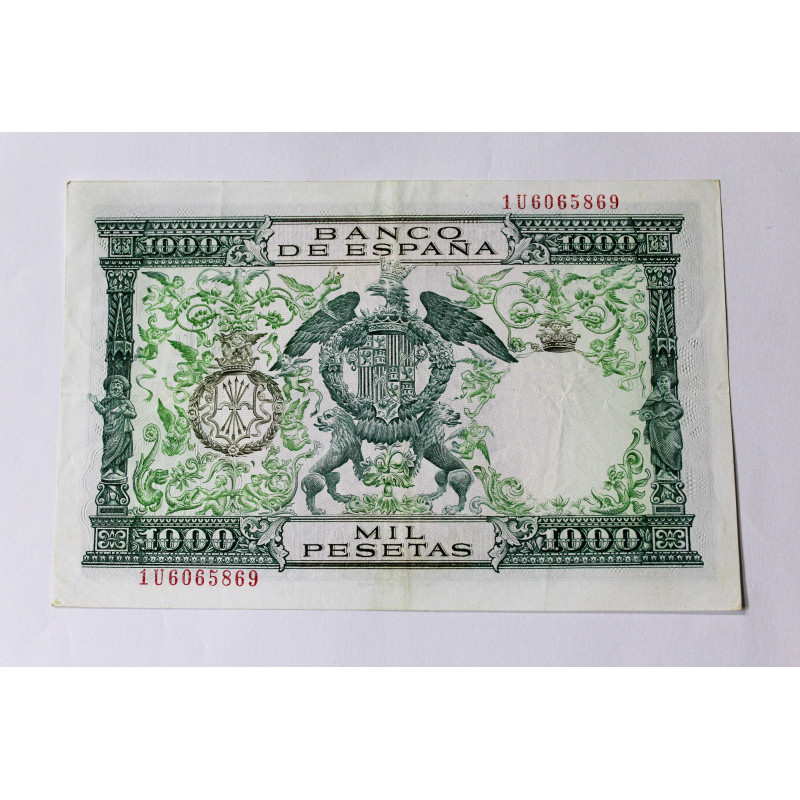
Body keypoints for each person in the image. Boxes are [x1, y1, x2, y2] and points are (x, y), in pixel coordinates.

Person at [632, 373, 684, 478]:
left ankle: (671, 471)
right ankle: (662, 470)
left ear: (669, 383)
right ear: (657, 384)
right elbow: (646, 409)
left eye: (666, 381)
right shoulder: (653, 397)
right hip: (656, 428)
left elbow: (679, 411)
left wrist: (668, 412)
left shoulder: (671, 397)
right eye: (660, 381)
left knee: (673, 446)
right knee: (658, 449)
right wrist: (645, 413)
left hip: (671, 428)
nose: (663, 384)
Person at [88, 375, 136, 481]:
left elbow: (133, 414)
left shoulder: (125, 401)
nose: (116, 388)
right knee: (109, 448)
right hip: (109, 429)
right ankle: (108, 469)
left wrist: (123, 410)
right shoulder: (107, 400)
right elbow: (103, 411)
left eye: (118, 386)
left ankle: (116, 469)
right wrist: (96, 402)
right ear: (110, 388)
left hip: (122, 429)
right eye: (114, 386)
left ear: (122, 389)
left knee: (120, 448)